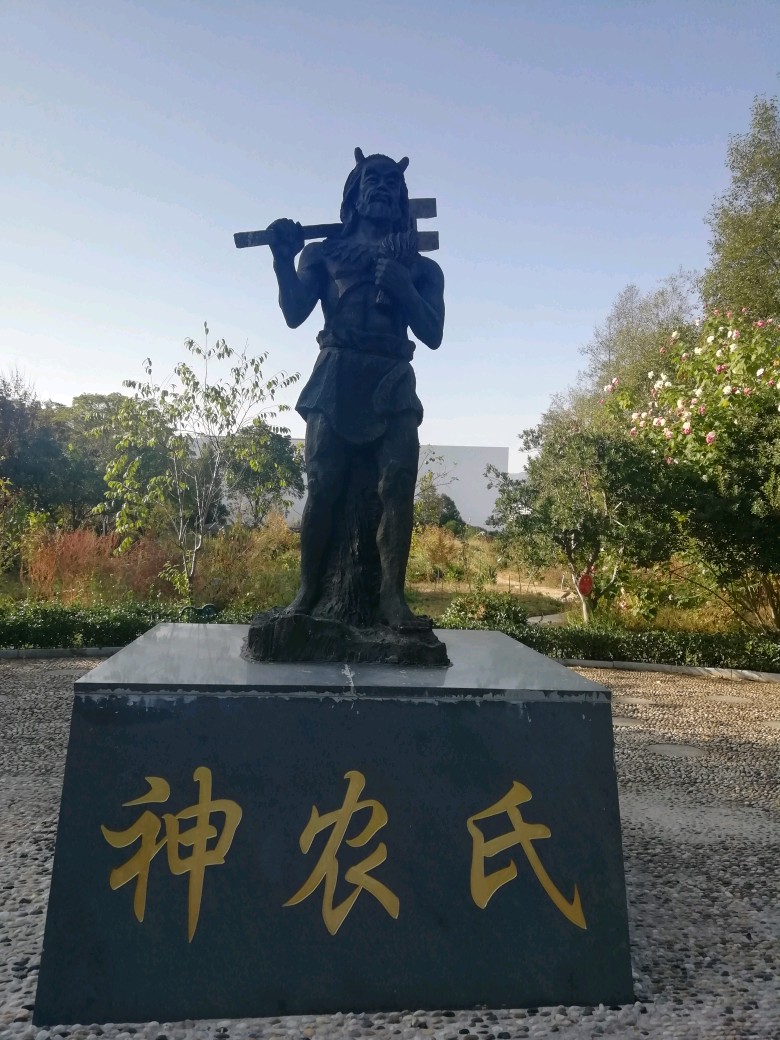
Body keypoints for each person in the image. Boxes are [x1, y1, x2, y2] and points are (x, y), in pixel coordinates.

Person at [266, 149, 445, 629]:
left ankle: (392, 598)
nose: (382, 187)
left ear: (402, 197)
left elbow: (432, 333)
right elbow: (294, 313)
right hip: (336, 372)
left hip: (392, 375)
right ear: (354, 193)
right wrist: (283, 260)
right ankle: (307, 591)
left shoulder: (423, 269)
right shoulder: (323, 254)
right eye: (372, 179)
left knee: (399, 485)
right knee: (322, 485)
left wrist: (404, 287)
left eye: (391, 181)